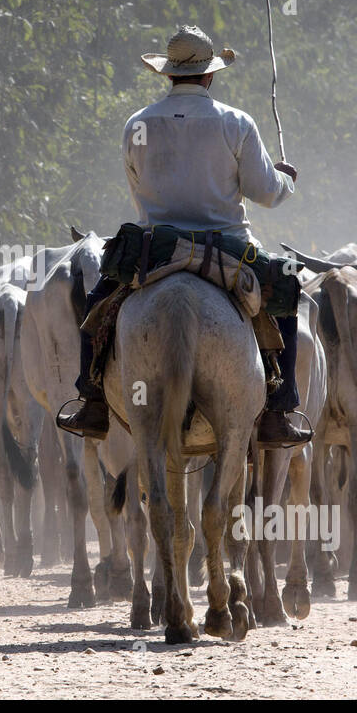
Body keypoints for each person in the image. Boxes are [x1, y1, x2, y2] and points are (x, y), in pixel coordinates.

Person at [57, 24, 312, 446]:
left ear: (167, 74)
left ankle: (92, 400)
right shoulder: (236, 123)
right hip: (229, 248)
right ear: (210, 75)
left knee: (98, 303)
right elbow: (266, 193)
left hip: (153, 248)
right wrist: (286, 179)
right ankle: (279, 410)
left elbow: (138, 185)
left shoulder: (137, 124)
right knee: (284, 287)